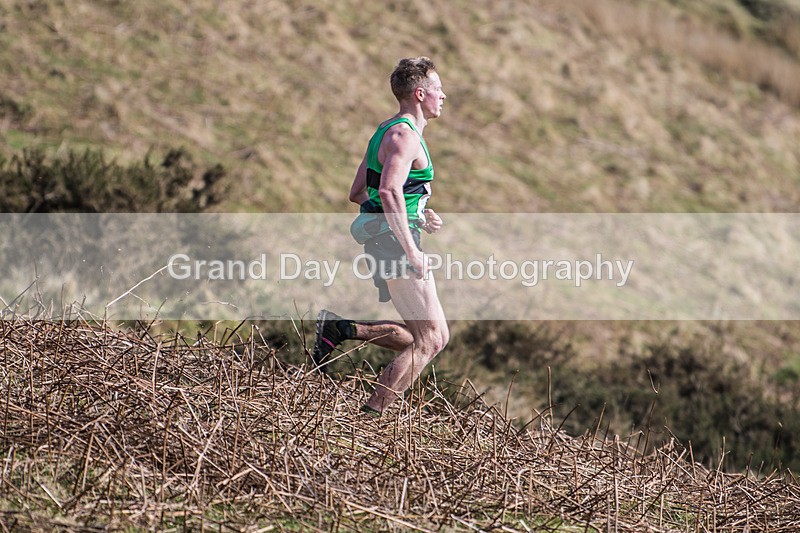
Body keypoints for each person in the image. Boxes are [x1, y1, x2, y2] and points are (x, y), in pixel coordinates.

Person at [313, 56, 449, 416]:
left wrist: (416, 215)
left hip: (384, 241)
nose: (443, 95)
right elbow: (388, 191)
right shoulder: (405, 136)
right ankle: (372, 415)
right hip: (396, 246)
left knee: (423, 335)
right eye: (437, 89)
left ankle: (341, 328)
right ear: (420, 94)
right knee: (432, 339)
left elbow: (359, 192)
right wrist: (411, 249)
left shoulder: (385, 131)